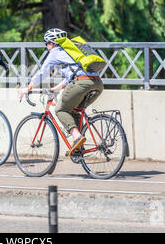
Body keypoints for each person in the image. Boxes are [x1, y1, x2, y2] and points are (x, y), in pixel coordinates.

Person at [19, 28, 104, 156]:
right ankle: (78, 148)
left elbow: (43, 72)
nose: (47, 47)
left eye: (46, 44)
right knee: (75, 111)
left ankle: (77, 136)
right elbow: (72, 74)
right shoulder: (71, 50)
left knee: (60, 110)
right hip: (97, 83)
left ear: (51, 43)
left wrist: (28, 87)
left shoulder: (55, 52)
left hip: (82, 83)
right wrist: (56, 88)